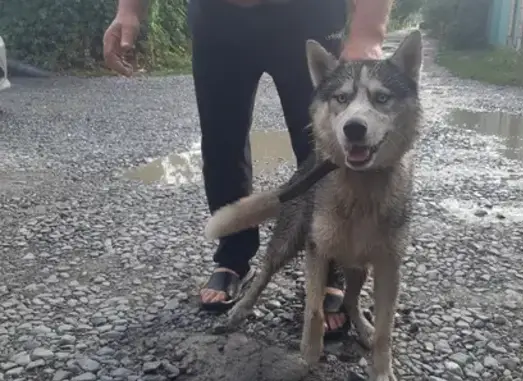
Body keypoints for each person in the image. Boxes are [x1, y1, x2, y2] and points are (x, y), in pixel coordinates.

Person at [103, 0, 394, 338]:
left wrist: (368, 30)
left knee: (326, 146)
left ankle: (332, 266)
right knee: (221, 138)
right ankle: (233, 255)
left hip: (307, 13)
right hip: (218, 16)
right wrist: (128, 11)